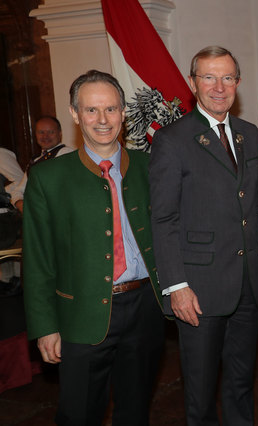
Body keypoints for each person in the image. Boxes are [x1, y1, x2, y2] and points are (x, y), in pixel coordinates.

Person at [22, 70, 164, 425]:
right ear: (74, 113)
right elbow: (38, 260)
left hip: (145, 308)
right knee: (79, 414)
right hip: (79, 315)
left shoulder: (150, 167)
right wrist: (45, 327)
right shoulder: (48, 178)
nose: (103, 120)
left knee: (136, 411)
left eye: (111, 110)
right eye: (91, 110)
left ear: (123, 114)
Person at [149, 46, 258, 426]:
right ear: (193, 83)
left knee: (242, 385)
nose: (219, 87)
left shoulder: (250, 134)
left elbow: (256, 204)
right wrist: (176, 285)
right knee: (200, 396)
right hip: (197, 289)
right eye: (209, 78)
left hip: (248, 283)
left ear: (238, 83)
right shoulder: (172, 139)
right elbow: (163, 218)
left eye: (228, 77)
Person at [13, 116, 74, 212]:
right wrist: (20, 204)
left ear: (60, 133)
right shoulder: (35, 160)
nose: (45, 136)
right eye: (41, 132)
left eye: (51, 132)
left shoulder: (66, 154)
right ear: (35, 135)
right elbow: (18, 191)